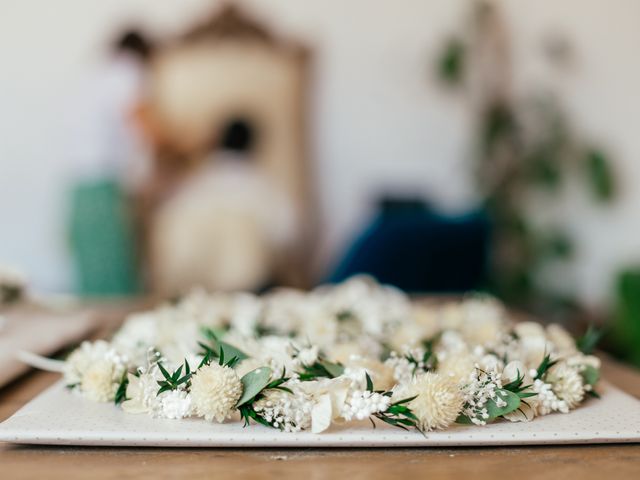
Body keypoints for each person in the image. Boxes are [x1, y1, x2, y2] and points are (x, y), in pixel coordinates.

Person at [151, 118, 299, 294]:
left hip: (193, 288)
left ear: (217, 142)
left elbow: (167, 229)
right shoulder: (264, 188)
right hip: (249, 287)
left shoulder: (194, 184)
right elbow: (288, 233)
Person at [67, 29, 153, 295]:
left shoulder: (95, 76)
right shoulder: (127, 73)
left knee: (92, 276)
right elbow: (146, 125)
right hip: (102, 188)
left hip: (79, 188)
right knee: (113, 277)